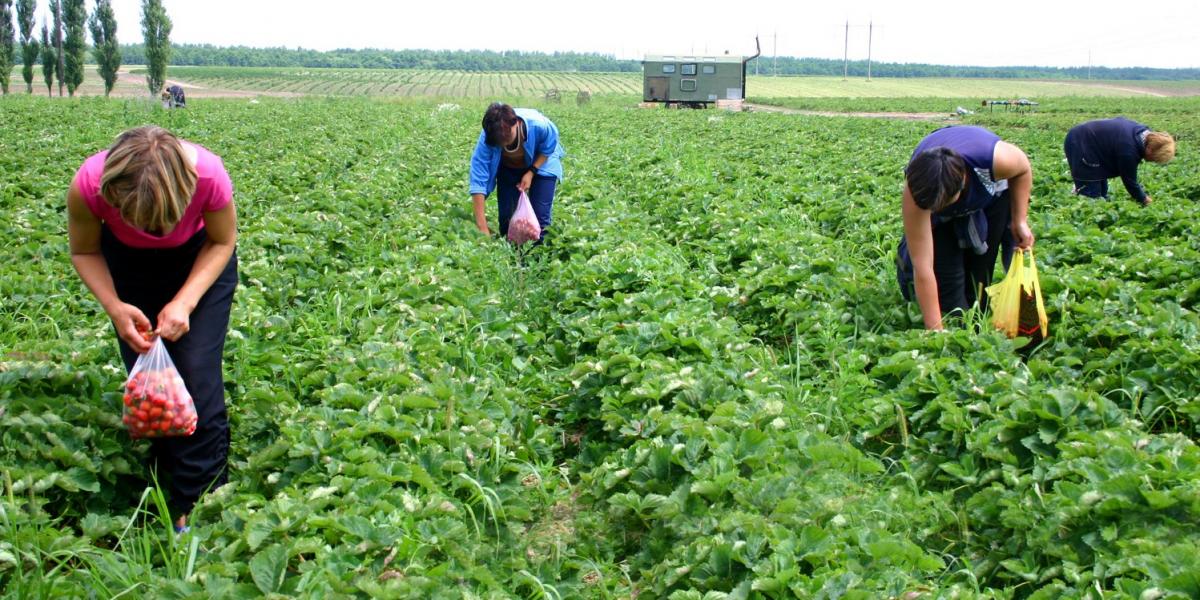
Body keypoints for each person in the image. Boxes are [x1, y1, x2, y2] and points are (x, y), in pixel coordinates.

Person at [67, 126, 237, 533]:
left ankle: (200, 500)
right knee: (150, 378)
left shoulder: (210, 175)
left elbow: (222, 241)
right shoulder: (88, 185)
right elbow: (85, 250)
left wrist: (185, 301)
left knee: (196, 371)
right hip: (127, 269)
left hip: (199, 262)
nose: (154, 230)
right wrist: (115, 308)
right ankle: (165, 468)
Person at [896, 125, 1035, 330]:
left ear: (962, 185)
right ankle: (959, 323)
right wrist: (935, 330)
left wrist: (1019, 220)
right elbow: (922, 266)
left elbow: (1023, 168)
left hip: (991, 197)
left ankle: (979, 315)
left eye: (943, 204)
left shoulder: (995, 161)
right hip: (939, 192)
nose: (937, 208)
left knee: (980, 271)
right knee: (948, 285)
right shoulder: (918, 191)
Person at [468, 102, 564, 241]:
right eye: (499, 142)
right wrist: (482, 227)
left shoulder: (538, 125)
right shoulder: (489, 136)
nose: (504, 143)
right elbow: (478, 178)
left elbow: (549, 146)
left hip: (542, 163)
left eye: (507, 137)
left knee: (540, 220)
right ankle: (512, 257)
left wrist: (531, 172)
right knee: (507, 222)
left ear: (516, 123)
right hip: (508, 168)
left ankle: (538, 256)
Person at [1063, 117, 1175, 206]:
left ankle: (1081, 193)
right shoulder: (1129, 150)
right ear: (1150, 149)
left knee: (1102, 193)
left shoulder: (1142, 133)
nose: (1151, 161)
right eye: (1153, 158)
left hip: (1091, 144)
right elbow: (1129, 181)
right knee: (1091, 197)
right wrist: (1144, 199)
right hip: (1080, 142)